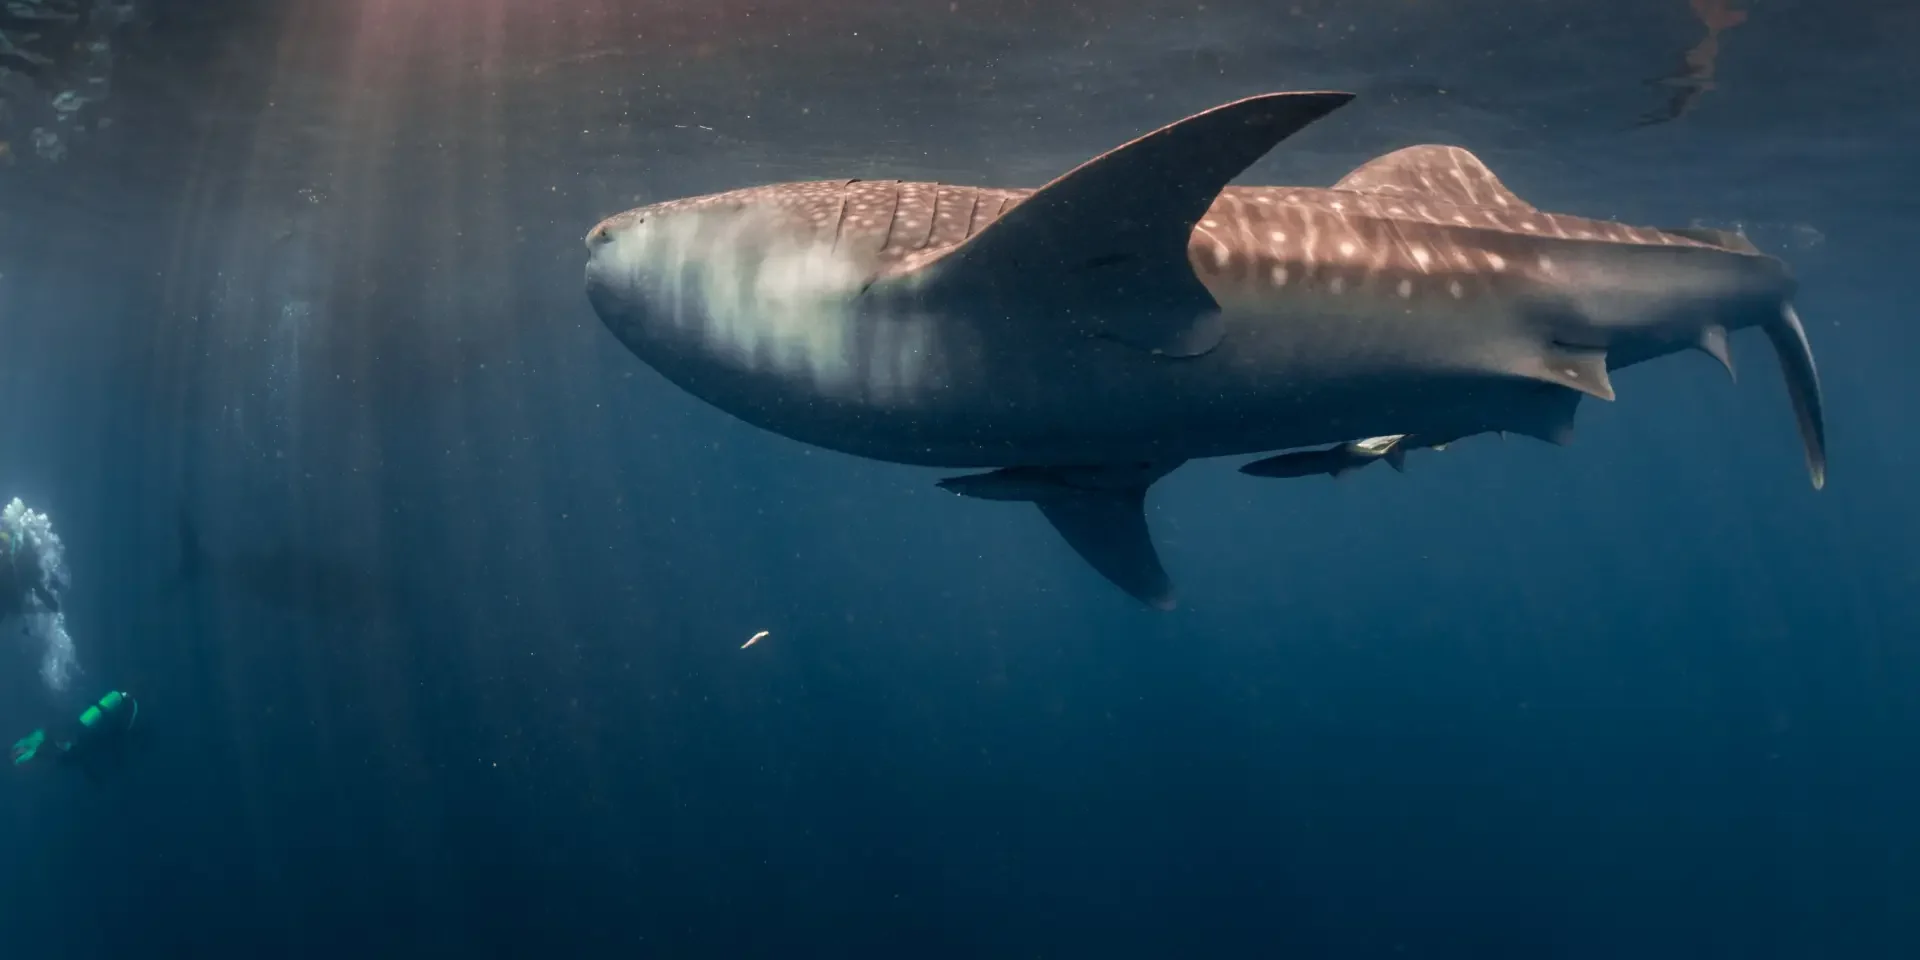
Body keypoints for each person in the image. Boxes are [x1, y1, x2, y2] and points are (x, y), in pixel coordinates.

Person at [10, 690, 141, 781]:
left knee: (83, 745)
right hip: (73, 740)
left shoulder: (42, 744)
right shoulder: (40, 743)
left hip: (74, 739)